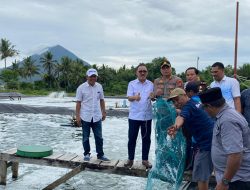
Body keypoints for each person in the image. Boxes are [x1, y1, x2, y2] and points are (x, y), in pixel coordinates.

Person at [199, 87, 250, 190]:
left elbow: (235, 155)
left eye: (204, 108)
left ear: (209, 106)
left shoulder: (228, 121)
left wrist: (224, 182)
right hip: (232, 178)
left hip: (236, 180)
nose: (205, 111)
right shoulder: (224, 115)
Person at [167, 88, 214, 190]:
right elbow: (181, 115)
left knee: (201, 175)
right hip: (210, 141)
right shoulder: (194, 102)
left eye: (177, 99)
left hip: (206, 144)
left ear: (184, 95)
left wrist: (175, 126)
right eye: (173, 101)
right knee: (202, 171)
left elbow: (181, 117)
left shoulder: (188, 107)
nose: (175, 103)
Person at [75, 68, 110, 161]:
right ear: (87, 77)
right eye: (91, 76)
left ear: (96, 77)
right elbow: (78, 103)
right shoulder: (81, 88)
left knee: (99, 137)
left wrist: (104, 112)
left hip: (97, 116)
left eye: (94, 76)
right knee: (85, 137)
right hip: (85, 116)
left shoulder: (99, 87)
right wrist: (77, 116)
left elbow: (102, 100)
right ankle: (87, 154)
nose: (93, 78)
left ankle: (100, 155)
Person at [124, 63, 154, 169]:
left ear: (147, 73)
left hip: (147, 116)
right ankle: (130, 159)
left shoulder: (151, 84)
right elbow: (129, 97)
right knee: (132, 138)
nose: (142, 73)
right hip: (134, 116)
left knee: (146, 139)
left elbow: (153, 98)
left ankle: (145, 160)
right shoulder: (131, 84)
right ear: (136, 72)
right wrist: (135, 97)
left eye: (144, 71)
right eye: (140, 71)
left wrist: (153, 97)